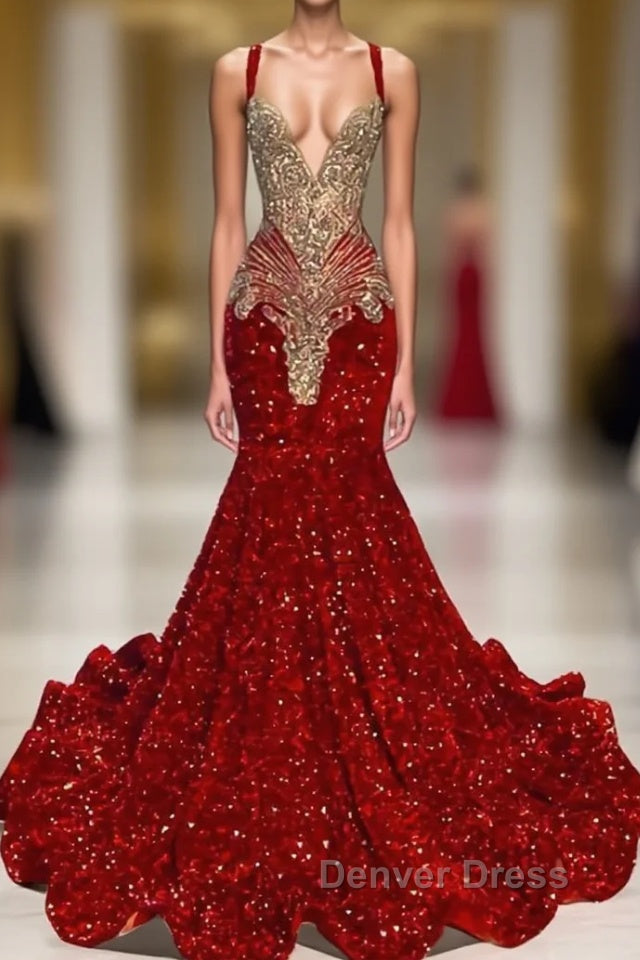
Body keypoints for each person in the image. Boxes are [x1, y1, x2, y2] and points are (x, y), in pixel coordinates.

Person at [1, 4, 639, 959]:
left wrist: (406, 365)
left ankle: (360, 725)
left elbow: (399, 223)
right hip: (260, 320)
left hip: (358, 322)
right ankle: (271, 725)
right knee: (265, 511)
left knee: (354, 510)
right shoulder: (236, 70)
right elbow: (229, 221)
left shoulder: (393, 71)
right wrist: (218, 367)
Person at [434, 165, 501, 422]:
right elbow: (487, 251)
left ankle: (459, 400)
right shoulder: (484, 212)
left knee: (461, 335)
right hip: (476, 275)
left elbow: (450, 251)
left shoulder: (454, 213)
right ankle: (478, 402)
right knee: (475, 335)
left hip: (462, 274)